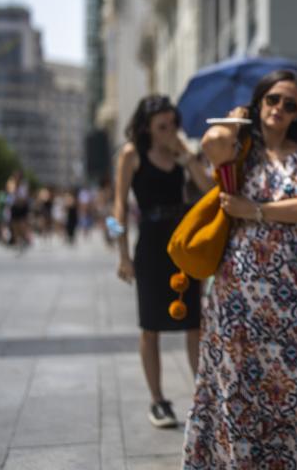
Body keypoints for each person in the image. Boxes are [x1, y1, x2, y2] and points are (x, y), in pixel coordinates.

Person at [183, 69, 297, 468]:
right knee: (241, 385)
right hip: (239, 287)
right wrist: (238, 115)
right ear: (260, 102)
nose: (280, 110)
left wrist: (257, 210)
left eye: (290, 105)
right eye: (272, 100)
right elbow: (210, 140)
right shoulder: (239, 150)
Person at [113, 95, 214, 428]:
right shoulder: (132, 154)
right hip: (151, 244)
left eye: (173, 124)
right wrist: (123, 255)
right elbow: (118, 209)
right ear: (146, 126)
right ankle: (158, 400)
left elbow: (209, 188)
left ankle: (203, 397)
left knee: (193, 323)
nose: (169, 130)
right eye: (162, 126)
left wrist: (187, 158)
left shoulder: (181, 153)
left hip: (182, 243)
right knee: (151, 325)